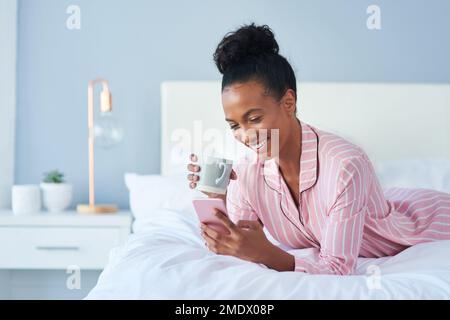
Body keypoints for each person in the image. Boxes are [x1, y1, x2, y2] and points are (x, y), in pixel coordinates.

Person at [187, 23, 450, 275]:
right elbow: (235, 245)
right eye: (234, 125)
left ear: (288, 102)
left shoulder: (345, 164)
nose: (245, 136)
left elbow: (337, 268)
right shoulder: (248, 173)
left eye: (254, 119)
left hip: (427, 224)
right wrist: (215, 196)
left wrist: (268, 254)